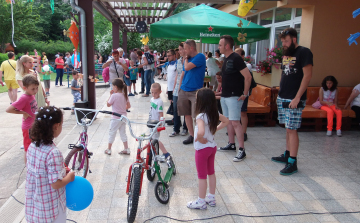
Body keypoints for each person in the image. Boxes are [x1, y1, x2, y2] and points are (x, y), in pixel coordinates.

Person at [271, 28, 313, 175]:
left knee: (292, 129)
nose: (284, 44)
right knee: (287, 128)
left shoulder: (304, 52)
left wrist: (297, 97)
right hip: (283, 96)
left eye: (286, 41)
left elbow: (307, 76)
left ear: (294, 39)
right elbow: (286, 74)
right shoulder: (287, 54)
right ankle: (287, 154)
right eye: (282, 42)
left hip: (294, 98)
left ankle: (293, 162)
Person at [26, 106, 75, 223]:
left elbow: (42, 171)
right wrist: (70, 177)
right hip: (51, 209)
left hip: (34, 207)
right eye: (62, 124)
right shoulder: (53, 152)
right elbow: (56, 184)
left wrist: (61, 171)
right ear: (56, 126)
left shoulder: (32, 146)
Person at [186, 88, 229, 210]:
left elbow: (201, 131)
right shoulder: (214, 113)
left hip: (202, 150)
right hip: (212, 147)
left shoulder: (200, 116)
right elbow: (226, 121)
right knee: (211, 172)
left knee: (201, 175)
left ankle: (201, 201)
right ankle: (211, 197)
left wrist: (198, 137)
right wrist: (215, 129)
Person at [217, 35, 252, 163]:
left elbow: (248, 77)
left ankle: (242, 150)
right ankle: (231, 144)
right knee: (228, 121)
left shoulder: (236, 58)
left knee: (236, 122)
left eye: (220, 45)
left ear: (227, 46)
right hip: (225, 95)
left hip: (234, 96)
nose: (218, 47)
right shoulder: (226, 58)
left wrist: (245, 93)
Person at [177, 39, 206, 145]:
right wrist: (180, 88)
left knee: (197, 116)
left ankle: (199, 136)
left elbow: (187, 67)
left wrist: (185, 58)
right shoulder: (188, 59)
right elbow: (183, 73)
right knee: (186, 114)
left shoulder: (200, 57)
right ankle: (192, 135)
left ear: (191, 48)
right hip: (184, 90)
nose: (184, 50)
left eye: (185, 48)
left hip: (195, 91)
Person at [6, 75, 39, 162]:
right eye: (33, 89)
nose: (35, 91)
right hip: (28, 127)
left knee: (34, 147)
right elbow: (9, 109)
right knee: (28, 148)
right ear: (25, 88)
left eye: (37, 88)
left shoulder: (31, 95)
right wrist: (23, 112)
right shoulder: (24, 98)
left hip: (34, 126)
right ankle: (28, 168)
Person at [105, 79, 131, 155]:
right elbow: (128, 106)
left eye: (113, 86)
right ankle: (126, 148)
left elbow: (108, 104)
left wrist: (110, 95)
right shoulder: (125, 95)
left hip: (115, 118)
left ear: (116, 87)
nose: (112, 88)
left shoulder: (114, 96)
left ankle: (109, 149)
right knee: (123, 133)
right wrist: (122, 108)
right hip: (123, 117)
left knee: (112, 133)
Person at [235, 48, 256, 141]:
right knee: (235, 112)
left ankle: (244, 132)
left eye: (238, 54)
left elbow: (247, 77)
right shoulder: (234, 64)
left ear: (243, 56)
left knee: (243, 112)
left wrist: (245, 93)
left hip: (244, 92)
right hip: (235, 91)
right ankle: (236, 130)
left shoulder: (247, 65)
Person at [149, 83, 173, 160]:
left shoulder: (159, 101)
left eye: (155, 92)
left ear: (160, 92)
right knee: (151, 139)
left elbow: (161, 113)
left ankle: (165, 153)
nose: (153, 94)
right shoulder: (152, 99)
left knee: (155, 140)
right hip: (151, 122)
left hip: (156, 123)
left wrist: (160, 124)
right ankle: (155, 153)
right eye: (152, 92)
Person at [169, 42, 188, 137]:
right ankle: (176, 128)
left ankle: (185, 128)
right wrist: (174, 87)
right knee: (175, 109)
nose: (180, 51)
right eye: (179, 50)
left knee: (185, 109)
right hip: (177, 88)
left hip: (185, 87)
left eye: (181, 49)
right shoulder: (178, 60)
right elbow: (177, 74)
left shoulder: (189, 60)